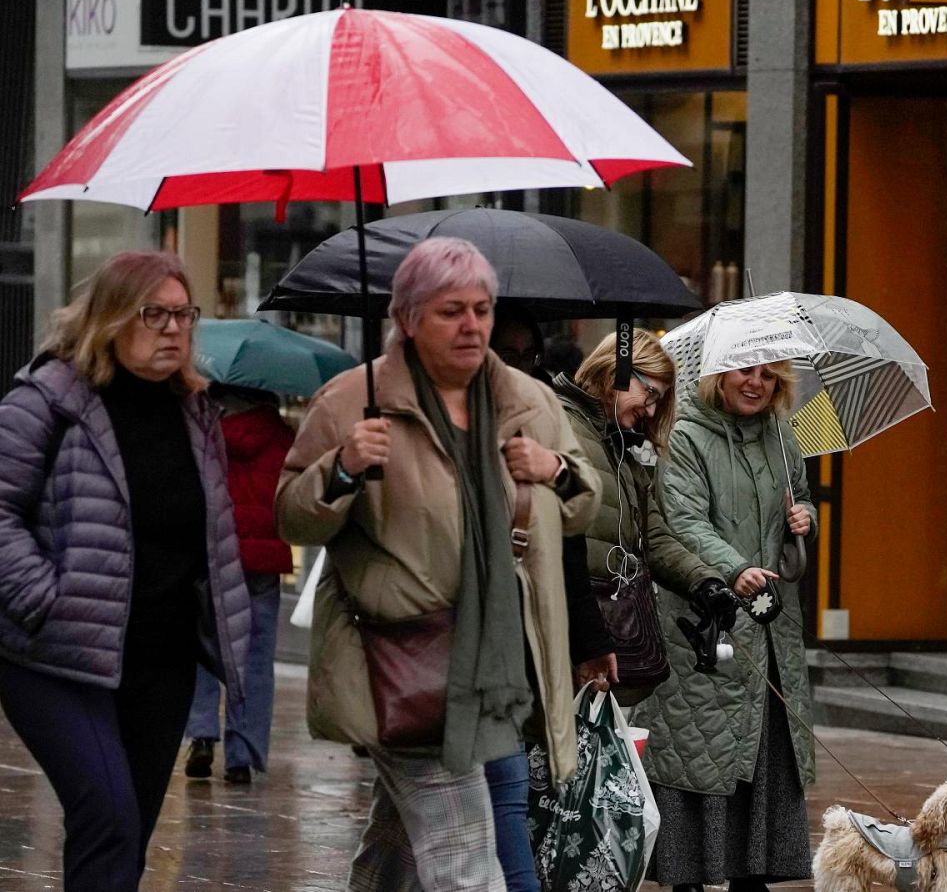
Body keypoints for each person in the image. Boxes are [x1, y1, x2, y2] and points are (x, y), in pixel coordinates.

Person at [275, 237, 602, 892]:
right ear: (407, 318)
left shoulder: (528, 403)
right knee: (465, 860)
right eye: (452, 311)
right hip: (405, 661)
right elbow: (292, 518)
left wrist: (556, 469)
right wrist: (343, 467)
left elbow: (583, 506)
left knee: (396, 845)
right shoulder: (352, 401)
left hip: (499, 659)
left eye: (482, 309)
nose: (472, 325)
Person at [0, 250, 254, 891]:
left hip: (159, 658)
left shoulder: (196, 413)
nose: (173, 329)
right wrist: (44, 598)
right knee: (108, 815)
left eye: (183, 314)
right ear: (110, 317)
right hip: (56, 656)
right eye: (153, 314)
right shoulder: (48, 400)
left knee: (128, 833)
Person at [634, 361, 820, 892]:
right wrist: (734, 568)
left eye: (768, 375)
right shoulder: (684, 435)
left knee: (765, 745)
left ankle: (753, 872)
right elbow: (682, 522)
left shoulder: (782, 435)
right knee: (699, 745)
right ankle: (688, 875)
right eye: (745, 372)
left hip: (770, 622)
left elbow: (799, 497)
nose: (756, 383)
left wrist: (806, 518)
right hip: (705, 618)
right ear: (718, 374)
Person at [487, 304, 617, 892]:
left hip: (520, 632)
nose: (519, 366)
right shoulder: (446, 417)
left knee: (507, 784)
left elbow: (572, 534)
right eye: (505, 355)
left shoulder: (543, 416)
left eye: (528, 355)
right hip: (446, 635)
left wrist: (551, 468)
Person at [553, 330, 735, 706]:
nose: (651, 411)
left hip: (607, 634)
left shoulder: (621, 447)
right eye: (650, 393)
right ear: (616, 372)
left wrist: (704, 582)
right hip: (566, 634)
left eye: (658, 401)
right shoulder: (559, 426)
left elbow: (654, 535)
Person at [185, 385, 296, 785]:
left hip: (214, 552)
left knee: (202, 645)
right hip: (262, 561)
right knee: (256, 657)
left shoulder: (204, 429)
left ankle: (201, 734)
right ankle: (242, 755)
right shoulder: (282, 436)